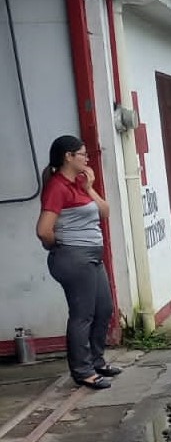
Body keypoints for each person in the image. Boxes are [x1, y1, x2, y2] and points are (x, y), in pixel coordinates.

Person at [35, 136, 118, 389]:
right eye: (82, 154)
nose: (87, 158)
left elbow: (104, 212)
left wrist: (90, 187)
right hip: (74, 257)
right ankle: (83, 371)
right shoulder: (57, 187)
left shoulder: (79, 183)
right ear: (68, 157)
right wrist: (56, 245)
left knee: (104, 309)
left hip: (92, 256)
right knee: (83, 314)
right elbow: (43, 230)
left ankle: (96, 360)